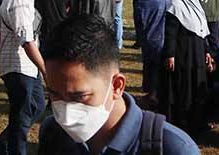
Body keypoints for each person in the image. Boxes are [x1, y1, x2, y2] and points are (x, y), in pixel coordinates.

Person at [39, 14, 200, 155]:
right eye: (55, 94)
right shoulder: (54, 133)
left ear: (117, 86)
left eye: (80, 96)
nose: (67, 115)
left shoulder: (174, 149)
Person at [0, 0, 48, 155]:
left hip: (27, 66)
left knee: (37, 105)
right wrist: (45, 70)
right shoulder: (19, 1)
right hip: (18, 66)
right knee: (22, 115)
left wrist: (3, 42)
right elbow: (27, 42)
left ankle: (3, 143)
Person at [159, 0, 213, 134]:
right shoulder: (175, 7)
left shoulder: (198, 7)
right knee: (184, 86)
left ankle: (197, 119)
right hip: (183, 54)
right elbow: (170, 34)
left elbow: (202, 32)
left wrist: (207, 51)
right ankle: (183, 120)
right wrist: (170, 54)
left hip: (198, 54)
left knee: (197, 85)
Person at [132, 0, 168, 108]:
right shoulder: (164, 3)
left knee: (148, 67)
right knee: (158, 68)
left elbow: (138, 24)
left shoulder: (140, 5)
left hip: (147, 40)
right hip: (160, 40)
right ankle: (155, 93)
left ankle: (151, 92)